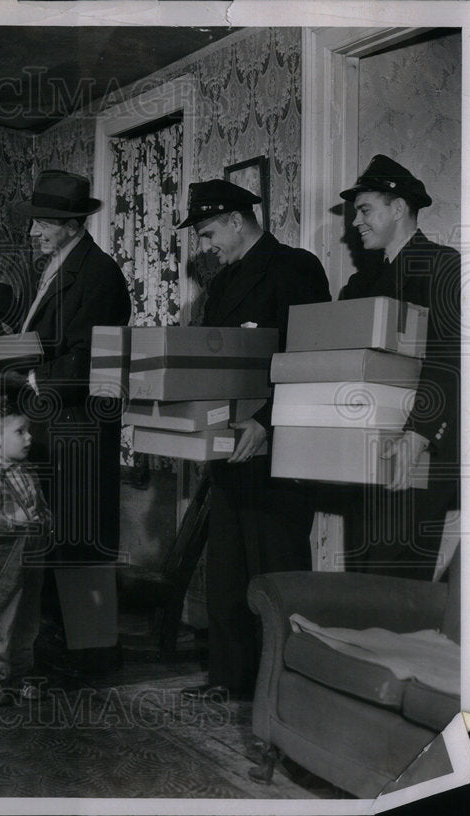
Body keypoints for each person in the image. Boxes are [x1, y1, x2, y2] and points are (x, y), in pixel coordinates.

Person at [178, 179, 331, 701]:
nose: (206, 246)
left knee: (276, 571)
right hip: (229, 449)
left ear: (238, 220)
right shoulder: (220, 286)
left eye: (209, 232)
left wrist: (266, 420)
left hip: (279, 448)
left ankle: (285, 689)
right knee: (227, 572)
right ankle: (229, 679)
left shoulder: (296, 267)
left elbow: (314, 356)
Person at [8, 169, 131, 670]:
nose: (33, 231)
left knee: (78, 539)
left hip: (76, 430)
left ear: (71, 224)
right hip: (52, 427)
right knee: (58, 538)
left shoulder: (98, 274)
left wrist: (33, 380)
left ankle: (88, 656)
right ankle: (64, 648)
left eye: (43, 222)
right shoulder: (58, 266)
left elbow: (89, 357)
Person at [338, 154, 461, 579]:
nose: (356, 223)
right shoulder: (358, 285)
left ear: (398, 207)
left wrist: (418, 433)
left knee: (395, 586)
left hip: (418, 447)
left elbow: (450, 360)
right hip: (364, 450)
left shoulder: (443, 265)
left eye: (365, 210)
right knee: (364, 576)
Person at [0, 403, 51, 705]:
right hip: (5, 562)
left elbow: (42, 509)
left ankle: (19, 677)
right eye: (21, 431)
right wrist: (14, 521)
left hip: (33, 556)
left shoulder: (29, 472)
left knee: (28, 620)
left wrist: (43, 520)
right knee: (3, 619)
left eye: (28, 431)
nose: (29, 437)